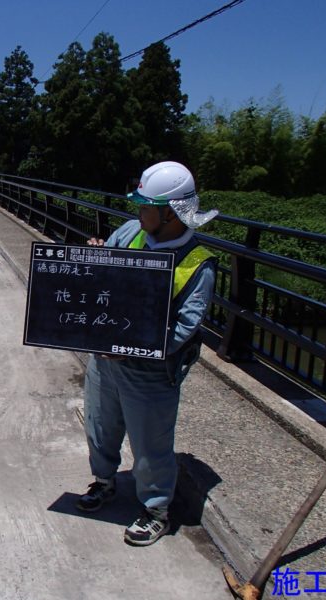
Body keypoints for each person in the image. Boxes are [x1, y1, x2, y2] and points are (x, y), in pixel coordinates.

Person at [76, 161, 219, 546]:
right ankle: (104, 482)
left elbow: (185, 328)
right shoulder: (131, 232)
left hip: (151, 371)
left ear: (170, 213)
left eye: (145, 206)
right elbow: (105, 281)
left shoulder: (197, 264)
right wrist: (96, 258)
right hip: (106, 359)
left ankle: (156, 509)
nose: (138, 213)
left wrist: (136, 349)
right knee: (99, 424)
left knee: (150, 445)